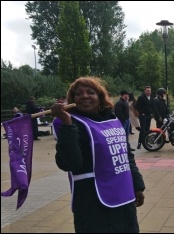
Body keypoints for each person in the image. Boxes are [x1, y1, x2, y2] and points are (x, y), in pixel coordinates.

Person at [51, 76, 145, 233]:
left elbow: (126, 156)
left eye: (90, 92)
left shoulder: (113, 120)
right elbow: (69, 163)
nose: (85, 96)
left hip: (124, 198)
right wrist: (66, 124)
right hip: (92, 204)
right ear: (72, 99)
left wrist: (138, 185)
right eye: (79, 93)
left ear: (100, 97)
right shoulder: (71, 123)